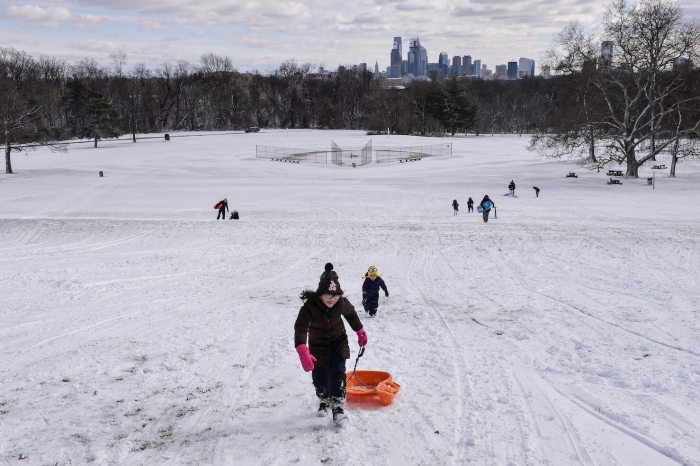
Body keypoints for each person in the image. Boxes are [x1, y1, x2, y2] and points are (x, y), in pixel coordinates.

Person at [294, 266, 367, 425]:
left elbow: (351, 315)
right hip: (318, 347)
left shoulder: (341, 303)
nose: (331, 299)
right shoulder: (309, 307)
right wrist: (301, 349)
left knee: (338, 372)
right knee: (320, 378)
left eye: (335, 295)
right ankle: (324, 399)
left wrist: (360, 331)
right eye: (328, 294)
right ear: (320, 293)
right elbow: (301, 328)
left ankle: (338, 408)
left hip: (338, 343)